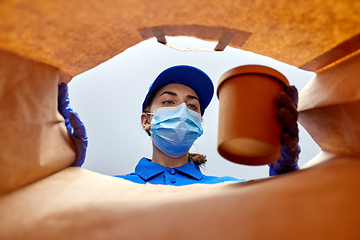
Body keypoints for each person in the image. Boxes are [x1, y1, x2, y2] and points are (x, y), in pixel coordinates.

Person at [58, 65, 300, 185]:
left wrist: (286, 176)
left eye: (192, 106)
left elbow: (288, 220)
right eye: (168, 101)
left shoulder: (228, 188)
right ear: (146, 121)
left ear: (199, 125)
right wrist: (60, 172)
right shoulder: (110, 188)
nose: (182, 110)